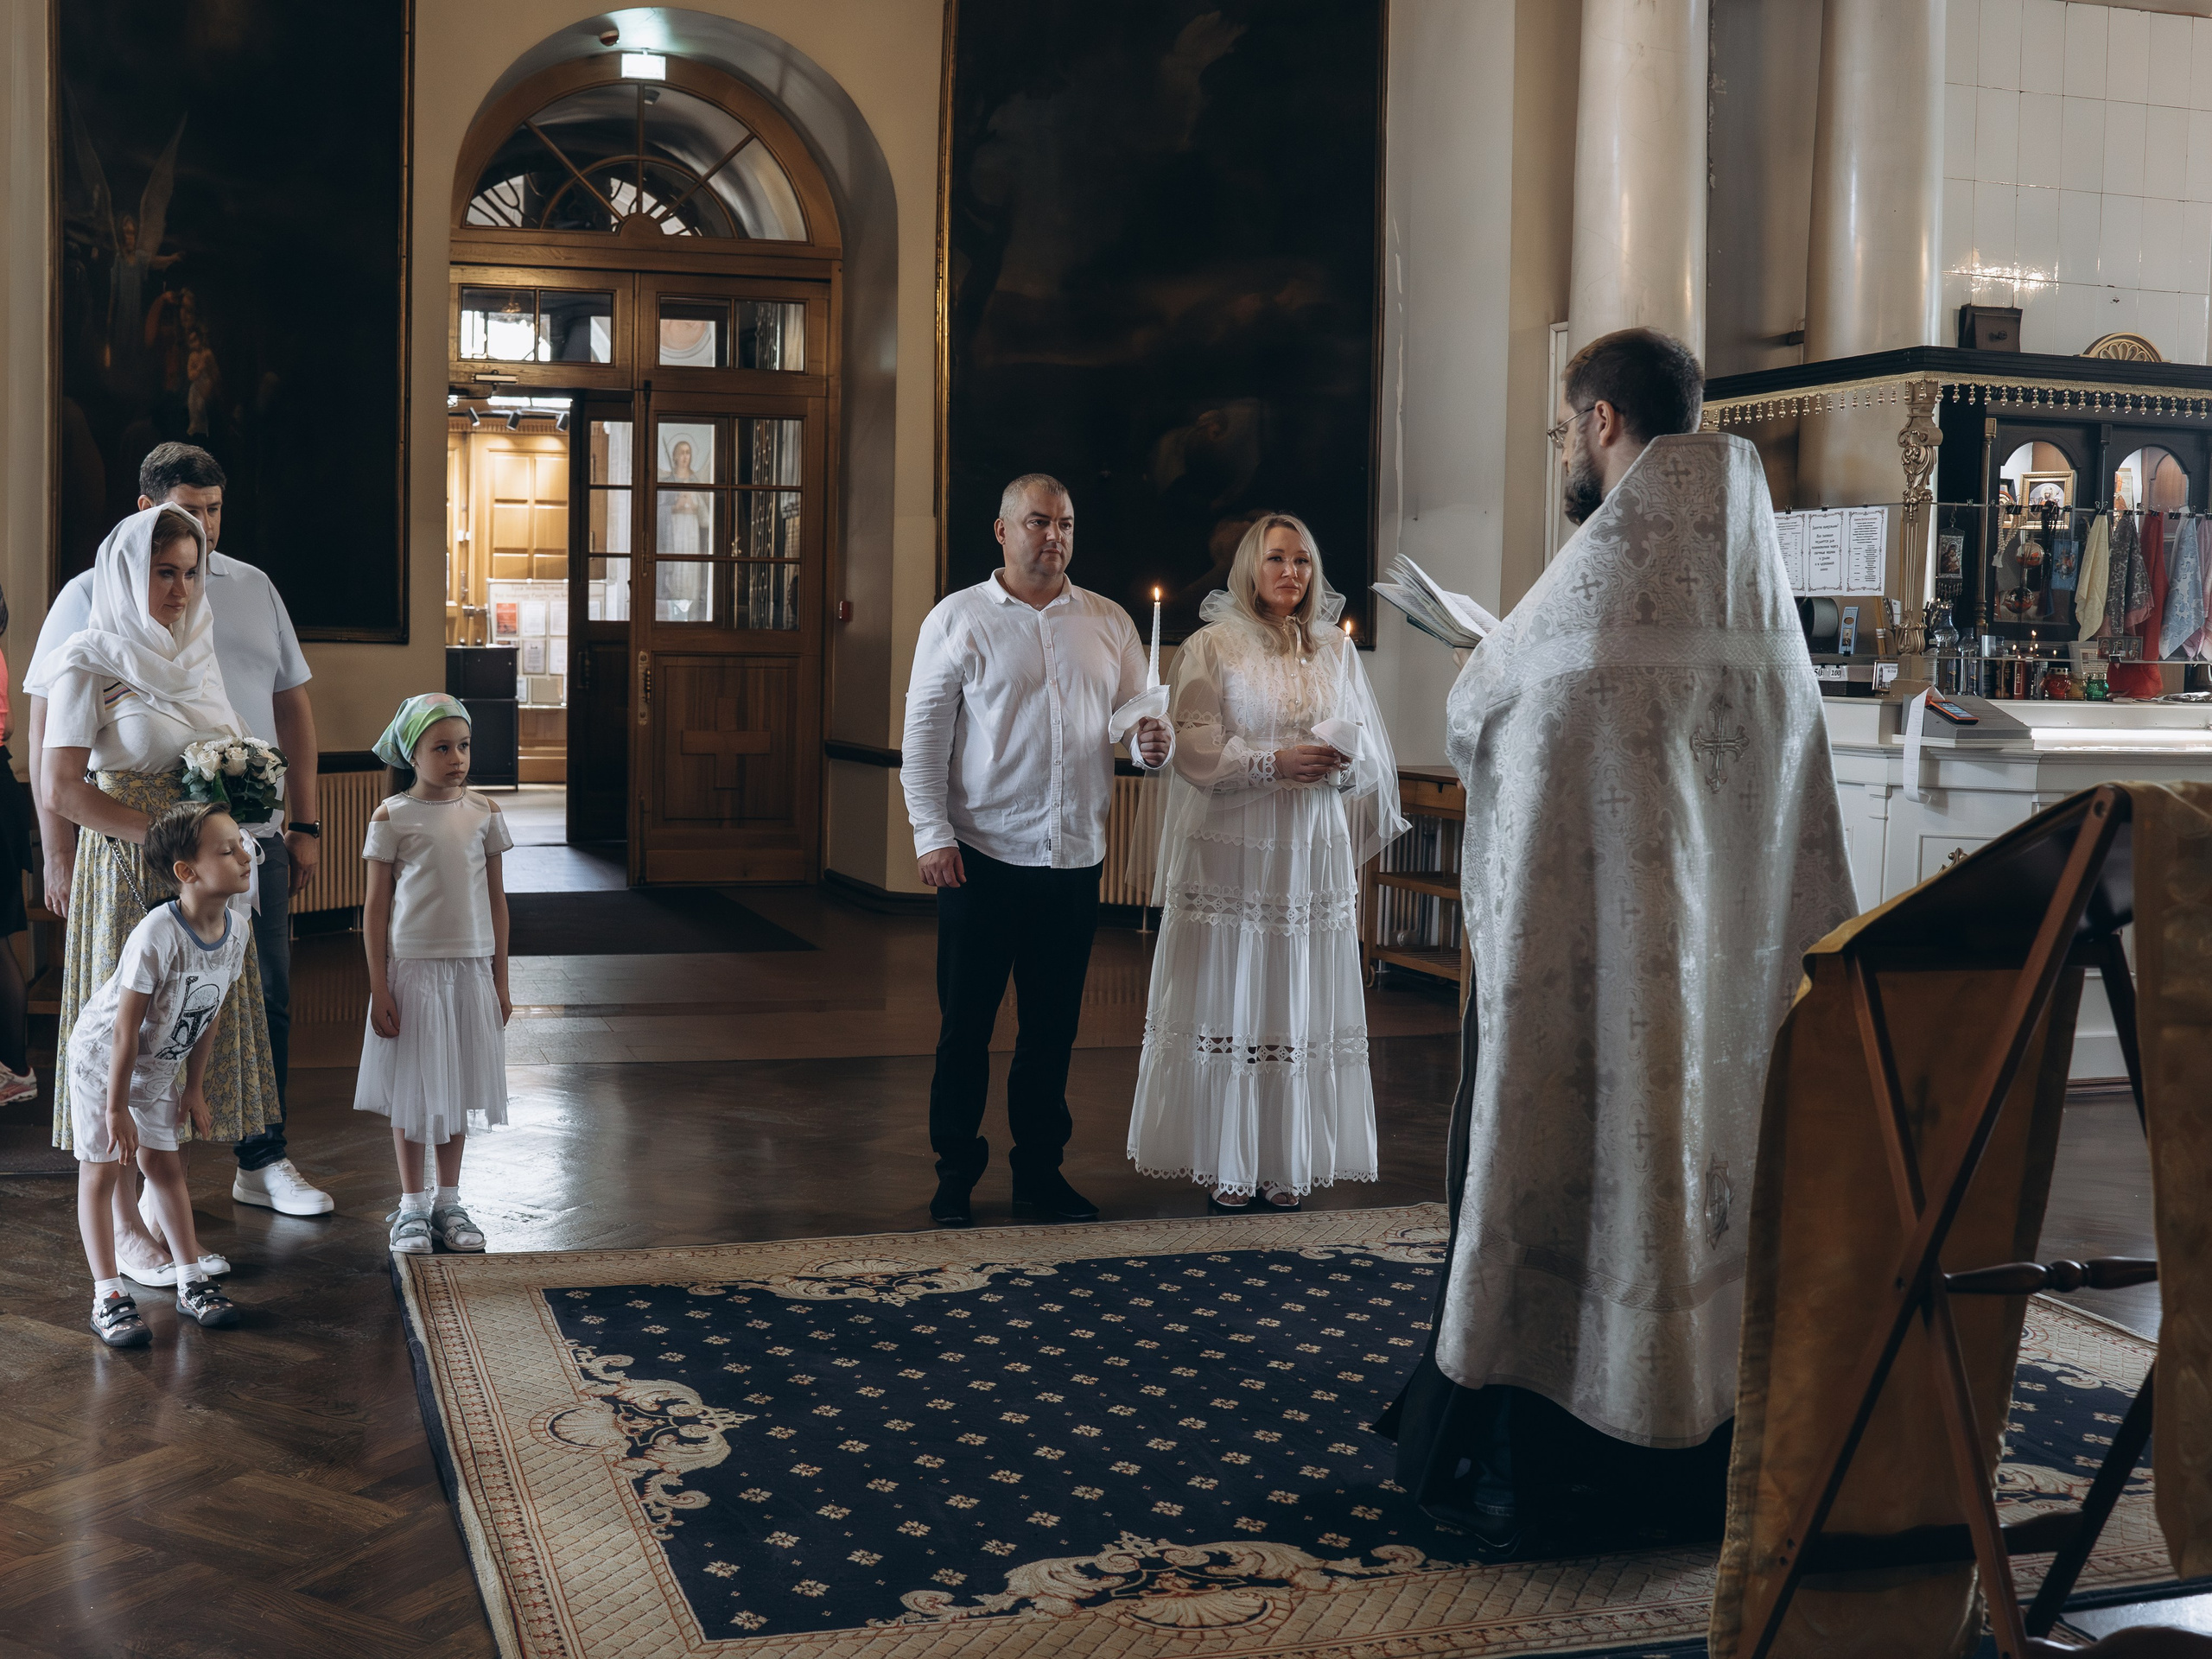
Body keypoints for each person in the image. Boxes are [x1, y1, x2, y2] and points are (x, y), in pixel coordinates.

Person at [1378, 328, 1856, 1556]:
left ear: (1600, 422)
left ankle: (1565, 1438)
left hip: (1605, 968)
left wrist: (1487, 669)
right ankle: (1716, 1421)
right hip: (1734, 970)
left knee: (1590, 1160)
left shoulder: (1609, 566)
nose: (1569, 454)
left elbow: (1490, 704)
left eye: (1564, 427)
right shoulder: (1750, 566)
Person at [27, 442, 330, 1279]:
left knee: (179, 1032)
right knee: (118, 1037)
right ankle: (122, 1229)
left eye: (191, 572)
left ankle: (177, 1206)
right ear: (132, 564)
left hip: (196, 869)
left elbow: (234, 744)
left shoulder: (194, 650)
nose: (180, 588)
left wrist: (240, 819)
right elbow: (61, 787)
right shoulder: (89, 651)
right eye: (165, 569)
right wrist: (161, 842)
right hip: (131, 868)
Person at [902, 474, 1173, 1229]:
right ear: (1002, 531)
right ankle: (955, 1175)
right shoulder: (957, 619)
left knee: (1052, 1031)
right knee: (966, 1030)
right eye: (1038, 522)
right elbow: (923, 736)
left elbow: (1138, 723)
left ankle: (1039, 1176)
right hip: (980, 856)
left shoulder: (1108, 620)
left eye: (1066, 523)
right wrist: (932, 836)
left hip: (1072, 857)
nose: (1053, 536)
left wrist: (1154, 743)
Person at [1125, 513, 1406, 1211]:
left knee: (1295, 995)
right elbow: (1192, 747)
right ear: (1252, 566)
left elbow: (1364, 755)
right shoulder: (1212, 646)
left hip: (1309, 845)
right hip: (1234, 844)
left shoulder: (1334, 652)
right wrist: (1272, 761)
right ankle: (1229, 1156)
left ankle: (1286, 1161)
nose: (1292, 573)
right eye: (1278, 559)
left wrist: (1339, 762)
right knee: (1234, 988)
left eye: (1304, 561)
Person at [73, 802, 257, 1345]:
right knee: (102, 1170)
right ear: (187, 871)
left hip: (157, 1068)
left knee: (165, 1166)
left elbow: (211, 1010)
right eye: (228, 850)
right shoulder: (158, 933)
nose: (245, 856)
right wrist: (114, 1109)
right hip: (101, 1064)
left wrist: (194, 1087)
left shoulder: (236, 929)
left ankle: (190, 1280)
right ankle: (107, 1293)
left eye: (242, 845)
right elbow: (125, 1032)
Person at [356, 695, 512, 1255]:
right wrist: (379, 986)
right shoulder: (392, 816)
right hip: (415, 973)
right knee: (416, 1091)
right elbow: (375, 908)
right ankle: (411, 1205)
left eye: (463, 746)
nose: (457, 758)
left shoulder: (485, 813)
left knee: (457, 1086)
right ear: (412, 753)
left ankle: (450, 1199)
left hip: (469, 970)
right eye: (441, 748)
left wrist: (501, 979)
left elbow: (497, 901)